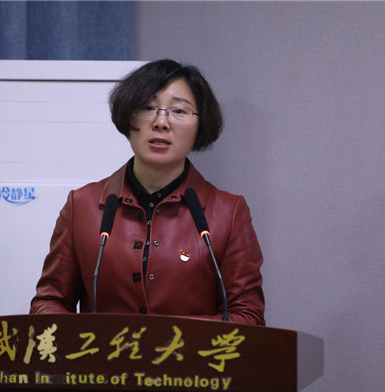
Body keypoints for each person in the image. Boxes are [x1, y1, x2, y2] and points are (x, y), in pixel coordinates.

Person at [29, 59, 264, 325]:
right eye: (147, 108)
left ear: (200, 125)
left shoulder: (228, 213)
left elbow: (248, 316)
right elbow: (49, 302)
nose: (161, 122)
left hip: (191, 354)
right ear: (128, 117)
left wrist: (170, 337)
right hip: (102, 353)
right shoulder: (82, 205)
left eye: (179, 110)